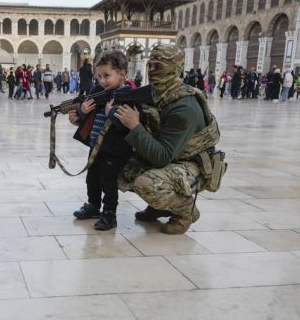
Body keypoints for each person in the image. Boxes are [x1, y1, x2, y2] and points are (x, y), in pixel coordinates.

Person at [116, 44, 224, 235]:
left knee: (146, 183)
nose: (151, 71)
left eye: (158, 66)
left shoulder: (184, 106)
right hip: (174, 157)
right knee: (117, 166)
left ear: (174, 68)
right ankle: (161, 206)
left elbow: (162, 156)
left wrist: (134, 126)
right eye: (150, 65)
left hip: (193, 164)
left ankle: (186, 211)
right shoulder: (158, 93)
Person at [68, 51, 135, 231]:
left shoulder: (129, 95)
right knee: (92, 179)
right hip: (96, 146)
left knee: (108, 183)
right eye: (99, 76)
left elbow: (128, 126)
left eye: (107, 76)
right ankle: (93, 206)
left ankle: (109, 214)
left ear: (122, 73)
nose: (102, 81)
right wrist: (81, 111)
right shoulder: (98, 91)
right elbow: (86, 117)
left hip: (114, 149)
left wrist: (111, 113)